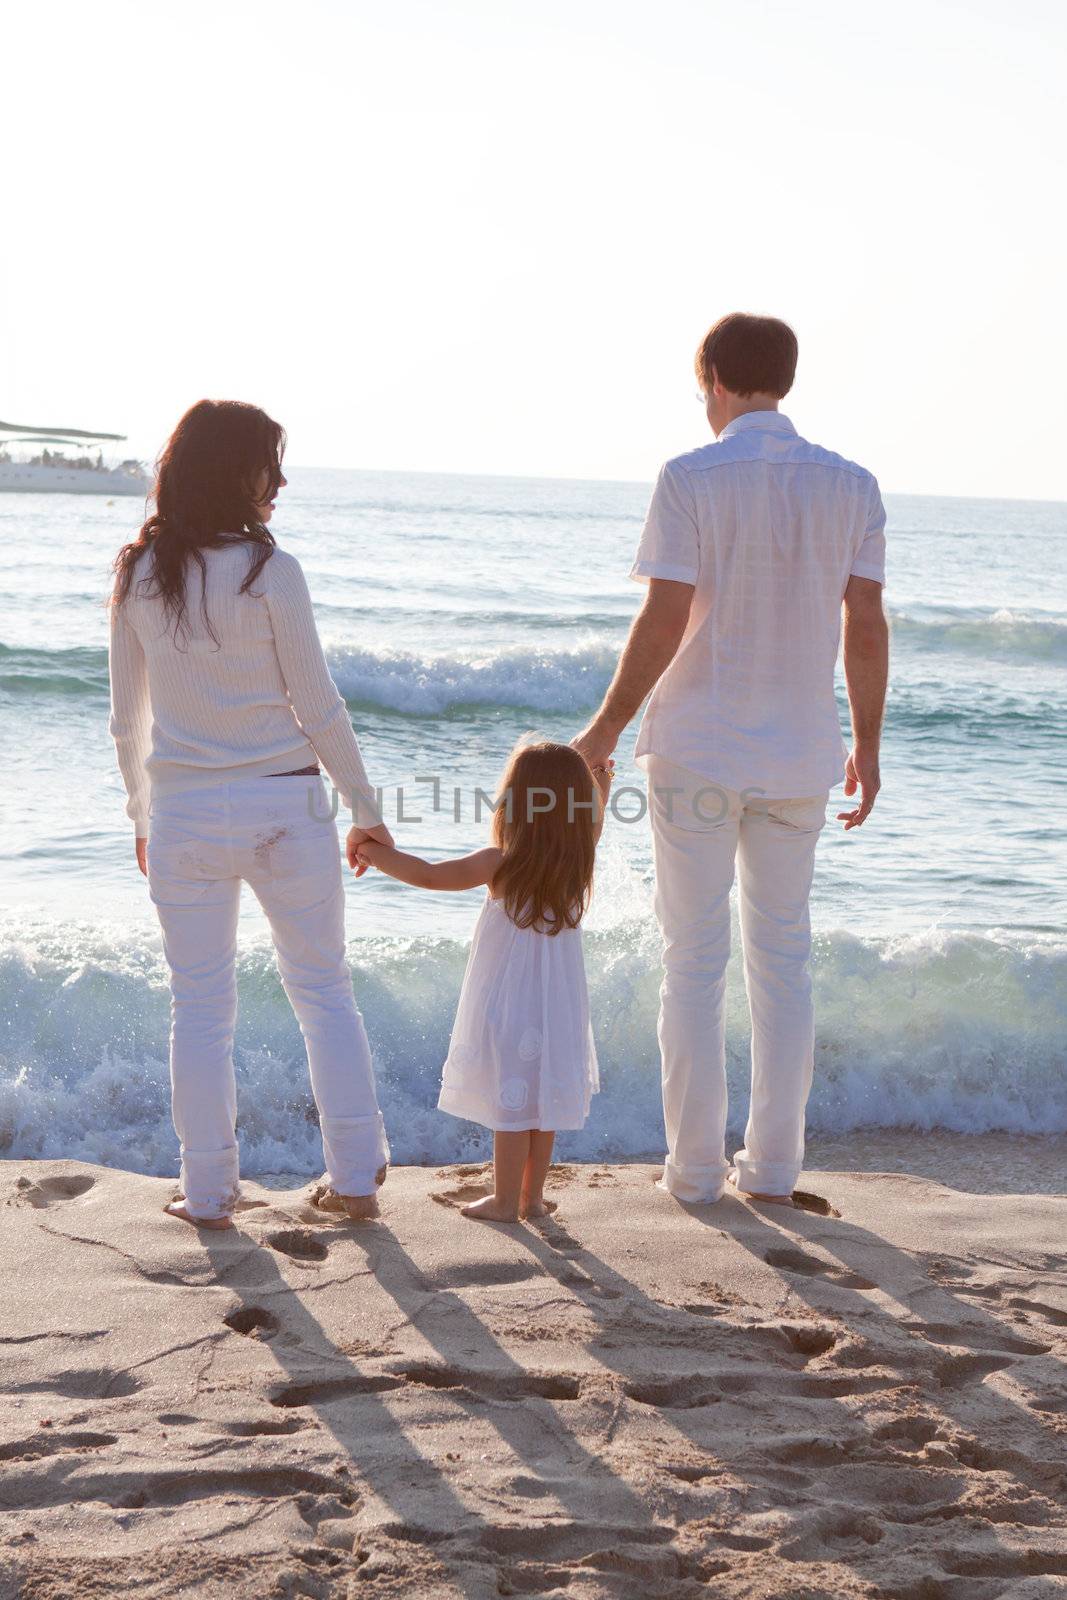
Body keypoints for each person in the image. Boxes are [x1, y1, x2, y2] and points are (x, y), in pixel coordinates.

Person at [574, 313, 889, 1209]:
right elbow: (862, 623)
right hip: (798, 752)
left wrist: (603, 729)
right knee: (782, 959)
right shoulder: (853, 484)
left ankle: (695, 1173)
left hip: (697, 750)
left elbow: (666, 615)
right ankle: (776, 1170)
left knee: (693, 960)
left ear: (711, 377)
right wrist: (864, 743)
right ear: (782, 379)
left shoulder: (688, 477)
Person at [108, 399, 393, 1229]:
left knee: (198, 1007)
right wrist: (368, 810)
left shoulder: (138, 573)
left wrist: (140, 818)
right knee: (324, 994)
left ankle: (207, 1192)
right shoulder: (272, 572)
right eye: (270, 462)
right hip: (283, 806)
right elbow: (320, 706)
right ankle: (354, 1181)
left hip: (185, 815)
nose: (281, 480)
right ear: (236, 472)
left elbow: (129, 721)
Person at [355, 740, 612, 1222]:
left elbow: (430, 876)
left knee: (512, 1098)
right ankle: (531, 1200)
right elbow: (593, 823)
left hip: (511, 1001)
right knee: (541, 1100)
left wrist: (372, 850)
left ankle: (503, 1201)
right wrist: (600, 786)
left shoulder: (502, 862)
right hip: (560, 1006)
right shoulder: (577, 861)